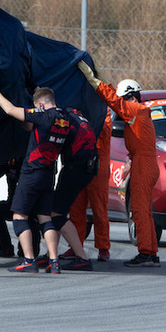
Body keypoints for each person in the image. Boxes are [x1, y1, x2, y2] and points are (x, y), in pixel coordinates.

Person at [78, 62, 160, 268]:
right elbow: (115, 97)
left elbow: (113, 100)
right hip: (143, 161)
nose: (121, 107)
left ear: (132, 97)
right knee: (145, 211)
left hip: (143, 163)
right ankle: (150, 251)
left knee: (139, 211)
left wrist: (93, 81)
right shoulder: (140, 111)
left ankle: (146, 253)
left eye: (124, 100)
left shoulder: (136, 110)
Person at [0, 86, 72, 273]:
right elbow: (31, 126)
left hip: (32, 173)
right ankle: (54, 261)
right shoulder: (64, 118)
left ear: (41, 105)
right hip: (48, 174)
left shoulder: (43, 115)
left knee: (19, 216)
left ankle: (29, 260)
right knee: (45, 218)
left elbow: (10, 109)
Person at [51, 106, 99, 271]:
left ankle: (82, 257)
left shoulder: (59, 117)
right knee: (58, 210)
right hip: (88, 166)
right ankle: (52, 254)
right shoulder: (77, 114)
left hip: (76, 167)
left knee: (56, 214)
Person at [67, 108, 112, 262]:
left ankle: (103, 247)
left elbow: (105, 131)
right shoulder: (75, 107)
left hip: (98, 163)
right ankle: (75, 246)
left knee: (99, 207)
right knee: (75, 207)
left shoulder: (103, 111)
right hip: (78, 161)